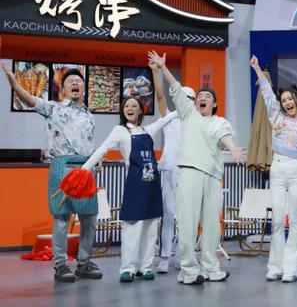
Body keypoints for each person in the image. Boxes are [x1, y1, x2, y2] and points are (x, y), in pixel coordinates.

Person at [148, 51, 244, 285]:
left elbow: (225, 136)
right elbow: (175, 89)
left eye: (206, 96)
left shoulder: (220, 122)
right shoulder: (188, 114)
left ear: (214, 103)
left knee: (211, 226)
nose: (202, 98)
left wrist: (233, 149)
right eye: (199, 96)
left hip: (212, 176)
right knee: (188, 223)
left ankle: (211, 267)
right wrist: (163, 68)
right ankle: (189, 270)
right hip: (189, 171)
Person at [1, 65, 101, 283]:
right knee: (62, 218)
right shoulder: (53, 108)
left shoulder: (89, 115)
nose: (75, 83)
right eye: (70, 81)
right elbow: (30, 100)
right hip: (62, 165)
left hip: (85, 168)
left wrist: (95, 159)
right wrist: (14, 83)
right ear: (62, 89)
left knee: (90, 217)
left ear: (84, 87)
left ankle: (84, 263)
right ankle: (61, 265)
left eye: (78, 81)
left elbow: (87, 142)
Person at [82, 96, 177, 282]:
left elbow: (166, 118)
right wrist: (84, 169)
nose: (130, 108)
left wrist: (184, 106)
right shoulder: (119, 130)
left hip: (152, 186)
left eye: (134, 106)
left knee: (151, 227)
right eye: (127, 106)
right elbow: (102, 149)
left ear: (140, 110)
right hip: (135, 185)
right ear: (123, 110)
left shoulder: (147, 130)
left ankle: (145, 267)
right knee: (132, 227)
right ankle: (127, 268)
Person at [250, 55, 297, 283]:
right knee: (278, 221)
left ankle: (291, 269)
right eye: (284, 100)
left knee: (294, 221)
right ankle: (275, 267)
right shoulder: (276, 116)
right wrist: (257, 68)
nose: (287, 103)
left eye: (290, 99)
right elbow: (267, 92)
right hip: (278, 169)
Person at [149, 60, 193, 274]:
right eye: (183, 97)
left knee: (187, 218)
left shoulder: (199, 122)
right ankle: (165, 257)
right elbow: (160, 96)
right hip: (169, 170)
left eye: (190, 99)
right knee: (167, 215)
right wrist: (155, 71)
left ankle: (184, 256)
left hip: (190, 173)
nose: (186, 101)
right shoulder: (170, 117)